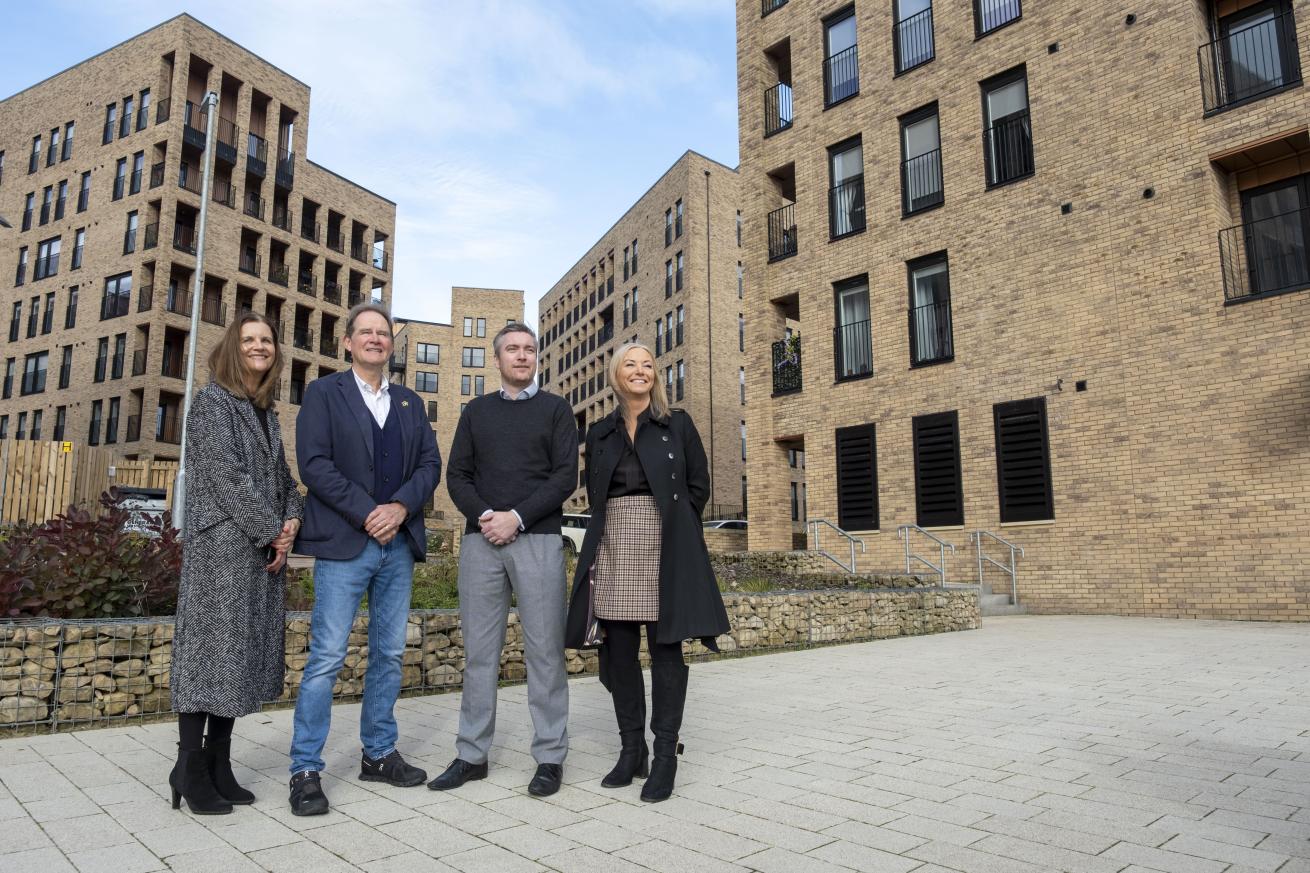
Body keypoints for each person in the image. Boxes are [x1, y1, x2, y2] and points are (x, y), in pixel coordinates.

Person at [286, 302, 441, 816]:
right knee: (327, 657)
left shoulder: (410, 404)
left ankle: (377, 753)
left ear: (390, 346)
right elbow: (314, 465)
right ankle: (305, 769)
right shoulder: (323, 394)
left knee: (390, 654)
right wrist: (368, 512)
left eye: (383, 333)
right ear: (348, 342)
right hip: (346, 544)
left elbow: (428, 465)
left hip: (397, 547)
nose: (375, 339)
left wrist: (398, 508)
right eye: (365, 332)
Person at [564, 342, 729, 803]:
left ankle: (664, 757)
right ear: (617, 377)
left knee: (665, 648)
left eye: (647, 365)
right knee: (618, 651)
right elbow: (597, 494)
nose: (640, 371)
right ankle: (630, 749)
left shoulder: (677, 424)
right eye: (630, 365)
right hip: (615, 541)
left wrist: (672, 527)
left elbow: (699, 485)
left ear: (655, 376)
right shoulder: (600, 432)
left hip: (665, 543)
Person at [430, 323, 577, 797]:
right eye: (512, 349)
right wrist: (487, 516)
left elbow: (564, 477)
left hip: (537, 539)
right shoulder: (476, 411)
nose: (522, 356)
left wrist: (517, 517)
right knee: (479, 654)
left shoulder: (557, 410)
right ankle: (472, 754)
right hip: (480, 542)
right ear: (496, 359)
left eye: (529, 349)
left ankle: (550, 756)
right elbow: (457, 476)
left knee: (545, 652)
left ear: (537, 358)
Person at [170, 313, 304, 815]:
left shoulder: (265, 412)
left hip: (259, 554)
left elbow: (285, 481)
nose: (259, 346)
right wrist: (274, 530)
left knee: (238, 659)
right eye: (249, 339)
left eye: (266, 340)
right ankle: (189, 765)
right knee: (208, 656)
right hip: (220, 552)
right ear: (233, 347)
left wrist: (291, 522)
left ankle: (218, 763)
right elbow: (227, 478)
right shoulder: (211, 403)